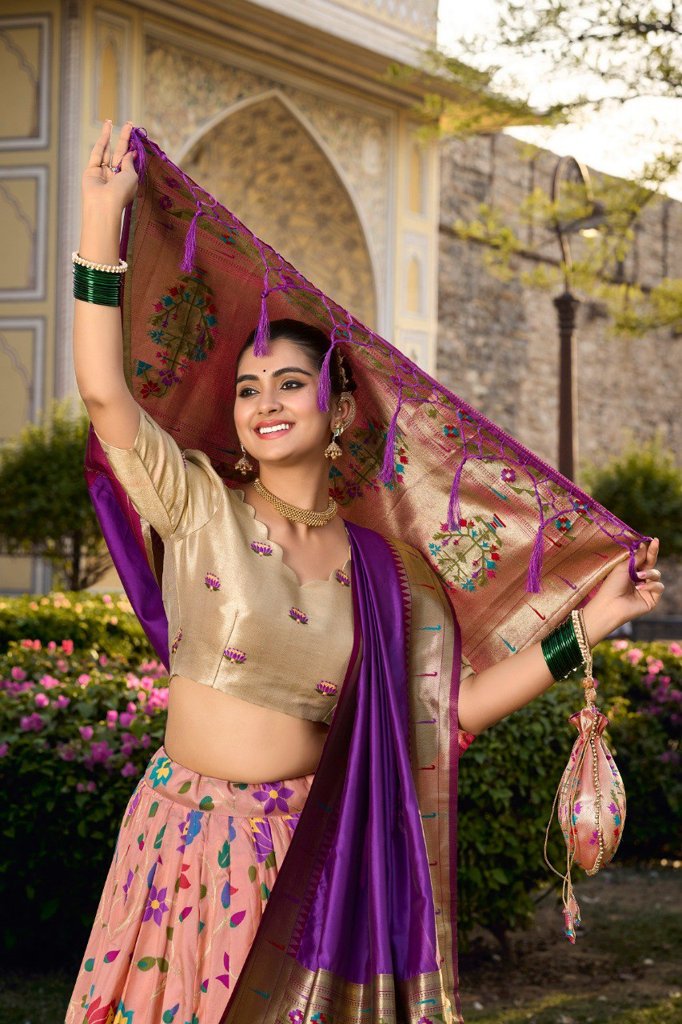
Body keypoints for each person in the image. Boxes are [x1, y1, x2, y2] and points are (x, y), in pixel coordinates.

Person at [65, 120, 664, 1024]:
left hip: (312, 863)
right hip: (179, 854)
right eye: (247, 388)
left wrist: (595, 626)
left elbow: (445, 718)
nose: (265, 403)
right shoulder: (196, 507)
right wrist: (100, 222)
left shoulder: (388, 574)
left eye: (289, 384)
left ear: (339, 407)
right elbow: (107, 393)